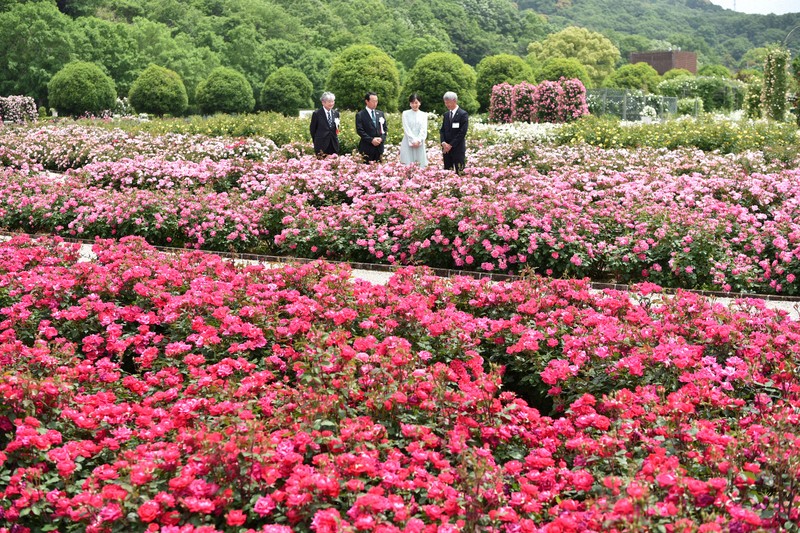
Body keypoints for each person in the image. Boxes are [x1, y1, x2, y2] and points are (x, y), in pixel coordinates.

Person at [439, 91, 468, 173]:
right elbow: (442, 130)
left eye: (448, 102)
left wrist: (451, 145)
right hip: (446, 149)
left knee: (460, 171)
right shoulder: (446, 115)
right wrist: (443, 142)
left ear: (454, 101)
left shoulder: (463, 114)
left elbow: (462, 133)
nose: (447, 105)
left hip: (457, 148)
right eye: (445, 103)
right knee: (447, 172)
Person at [355, 92, 387, 162]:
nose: (375, 103)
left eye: (376, 101)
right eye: (373, 101)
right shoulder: (360, 115)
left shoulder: (380, 113)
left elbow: (385, 129)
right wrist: (371, 140)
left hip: (379, 148)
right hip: (367, 148)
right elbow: (360, 130)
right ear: (367, 101)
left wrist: (381, 139)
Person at [399, 93, 428, 168]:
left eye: (416, 103)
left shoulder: (424, 115)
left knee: (420, 164)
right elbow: (406, 128)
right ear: (410, 104)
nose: (414, 105)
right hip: (408, 141)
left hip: (419, 143)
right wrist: (412, 140)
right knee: (408, 163)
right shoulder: (405, 113)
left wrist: (418, 140)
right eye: (412, 103)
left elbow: (423, 129)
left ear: (420, 103)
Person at [309, 92, 339, 157]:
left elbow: (336, 128)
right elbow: (312, 130)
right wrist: (317, 142)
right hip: (321, 145)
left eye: (333, 101)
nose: (331, 103)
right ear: (323, 102)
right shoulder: (317, 114)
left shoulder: (336, 113)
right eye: (329, 102)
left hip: (333, 144)